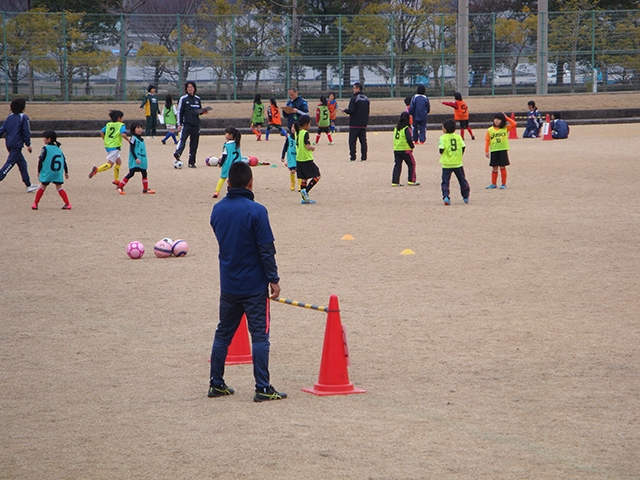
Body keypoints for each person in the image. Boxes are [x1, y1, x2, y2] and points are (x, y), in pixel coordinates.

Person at [209, 161, 286, 403]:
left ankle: (216, 383)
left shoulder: (217, 210)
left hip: (229, 284)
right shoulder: (257, 211)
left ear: (228, 184)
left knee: (223, 334)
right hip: (254, 287)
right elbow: (266, 250)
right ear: (251, 183)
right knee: (260, 337)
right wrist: (273, 279)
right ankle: (262, 387)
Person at [0, 98, 38, 192]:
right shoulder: (23, 117)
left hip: (9, 143)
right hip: (16, 145)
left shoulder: (10, 116)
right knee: (9, 164)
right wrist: (28, 144)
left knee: (22, 164)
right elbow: (26, 132)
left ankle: (28, 185)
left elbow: (3, 128)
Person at [31, 130, 71, 210]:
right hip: (57, 172)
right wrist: (66, 172)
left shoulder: (45, 148)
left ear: (49, 139)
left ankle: (35, 203)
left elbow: (41, 160)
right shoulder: (58, 149)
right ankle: (67, 204)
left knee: (43, 186)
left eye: (44, 138)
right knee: (59, 187)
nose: (43, 140)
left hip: (48, 172)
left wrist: (39, 170)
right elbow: (64, 161)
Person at [89, 109, 129, 186]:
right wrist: (129, 141)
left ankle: (116, 180)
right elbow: (123, 134)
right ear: (119, 118)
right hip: (115, 147)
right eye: (122, 118)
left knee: (118, 162)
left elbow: (101, 132)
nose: (122, 120)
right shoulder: (121, 125)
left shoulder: (108, 124)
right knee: (110, 164)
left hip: (108, 146)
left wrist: (105, 140)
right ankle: (97, 170)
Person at [174, 81, 209, 168]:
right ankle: (178, 153)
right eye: (188, 87)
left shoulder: (197, 99)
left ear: (194, 88)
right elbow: (180, 112)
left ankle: (191, 162)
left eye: (192, 87)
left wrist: (203, 112)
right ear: (186, 89)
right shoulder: (183, 99)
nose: (190, 89)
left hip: (196, 125)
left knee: (194, 144)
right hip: (186, 124)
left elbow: (198, 111)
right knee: (182, 140)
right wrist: (179, 124)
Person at [116, 121, 155, 195]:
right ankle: (120, 186)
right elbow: (132, 149)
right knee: (131, 173)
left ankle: (145, 189)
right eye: (137, 128)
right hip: (135, 159)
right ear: (133, 129)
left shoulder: (142, 139)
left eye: (140, 128)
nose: (139, 129)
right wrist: (135, 158)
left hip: (142, 158)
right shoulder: (133, 138)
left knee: (144, 173)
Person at [439, 119, 469, 205]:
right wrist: (459, 155)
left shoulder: (443, 137)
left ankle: (446, 197)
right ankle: (465, 196)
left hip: (446, 163)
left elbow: (441, 149)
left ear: (445, 128)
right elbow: (463, 147)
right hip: (457, 162)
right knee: (462, 180)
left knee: (445, 181)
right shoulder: (458, 137)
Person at [485, 112, 516, 189]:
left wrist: (506, 117)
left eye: (499, 119)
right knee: (494, 167)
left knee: (502, 167)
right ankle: (493, 183)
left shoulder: (505, 128)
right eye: (496, 119)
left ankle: (503, 183)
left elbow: (514, 124)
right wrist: (486, 150)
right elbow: (487, 140)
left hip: (502, 150)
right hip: (494, 150)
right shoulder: (490, 130)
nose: (496, 121)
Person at [341, 82, 370, 162]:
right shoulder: (366, 99)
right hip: (363, 123)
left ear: (358, 88)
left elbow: (351, 110)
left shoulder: (354, 98)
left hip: (354, 124)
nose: (353, 90)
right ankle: (364, 157)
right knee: (363, 141)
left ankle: (353, 156)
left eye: (354, 88)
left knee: (352, 141)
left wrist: (345, 110)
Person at [296, 115, 321, 204]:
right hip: (306, 158)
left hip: (299, 159)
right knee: (317, 175)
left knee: (304, 178)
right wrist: (312, 148)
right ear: (306, 124)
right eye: (309, 124)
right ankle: (306, 191)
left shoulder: (297, 133)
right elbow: (307, 146)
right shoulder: (305, 133)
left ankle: (304, 198)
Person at [212, 127, 243, 199]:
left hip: (228, 164)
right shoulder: (237, 144)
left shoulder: (226, 145)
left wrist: (221, 163)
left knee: (222, 178)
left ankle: (217, 191)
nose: (225, 135)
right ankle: (235, 191)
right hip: (237, 164)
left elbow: (224, 155)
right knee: (234, 179)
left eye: (226, 133)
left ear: (230, 135)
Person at [391, 112, 419, 187]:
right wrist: (412, 146)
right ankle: (411, 180)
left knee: (397, 165)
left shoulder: (396, 128)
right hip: (405, 149)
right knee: (412, 164)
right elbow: (409, 139)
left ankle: (395, 181)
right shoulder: (406, 128)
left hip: (396, 149)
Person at [280, 122, 298, 192]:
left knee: (299, 171)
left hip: (298, 155)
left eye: (294, 127)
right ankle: (292, 183)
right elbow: (285, 147)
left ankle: (300, 184)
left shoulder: (299, 137)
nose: (293, 129)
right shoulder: (289, 138)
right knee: (292, 171)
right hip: (291, 156)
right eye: (292, 127)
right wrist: (282, 156)